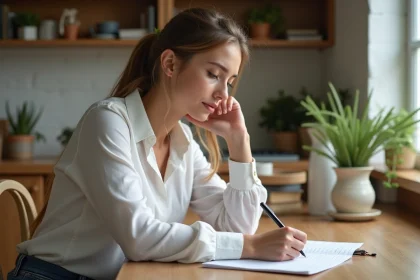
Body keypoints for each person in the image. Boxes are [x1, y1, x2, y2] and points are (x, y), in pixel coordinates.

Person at [8, 8, 307, 280]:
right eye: (213, 74)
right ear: (170, 64)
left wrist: (240, 142)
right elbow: (138, 237)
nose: (223, 95)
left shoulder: (183, 142)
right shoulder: (109, 123)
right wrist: (248, 247)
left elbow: (238, 228)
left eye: (229, 81)